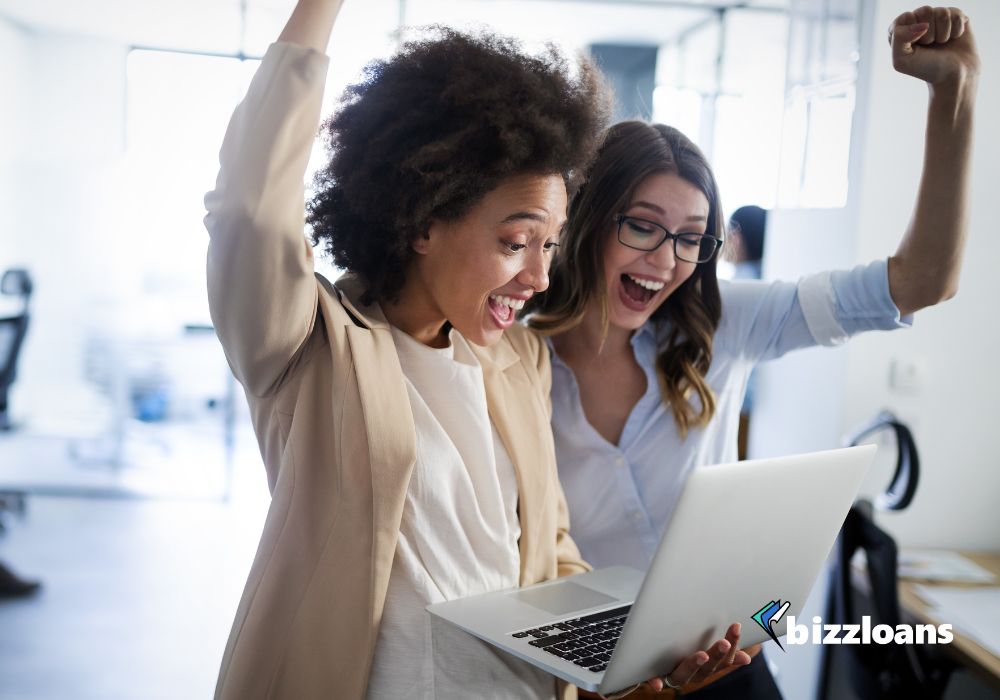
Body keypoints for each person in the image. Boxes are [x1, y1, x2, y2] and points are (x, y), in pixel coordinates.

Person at [204, 1, 743, 698]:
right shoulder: (311, 347)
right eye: (515, 243)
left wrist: (624, 672)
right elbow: (251, 209)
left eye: (549, 245)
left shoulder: (519, 360)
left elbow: (549, 557)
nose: (540, 277)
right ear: (425, 222)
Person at [528, 6, 978, 698]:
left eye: (691, 238)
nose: (665, 260)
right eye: (643, 226)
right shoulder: (513, 360)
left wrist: (955, 95)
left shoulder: (718, 321)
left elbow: (922, 282)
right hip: (597, 684)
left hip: (726, 664)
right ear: (589, 218)